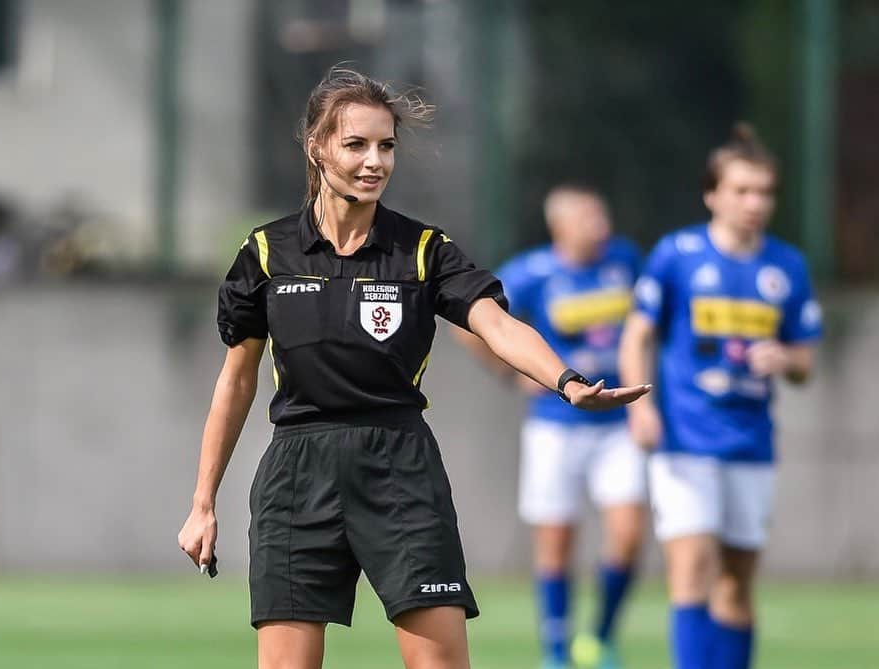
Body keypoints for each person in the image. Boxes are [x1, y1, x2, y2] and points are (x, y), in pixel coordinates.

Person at [177, 66, 651, 669]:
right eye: (356, 145)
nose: (374, 161)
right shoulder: (266, 252)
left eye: (385, 145)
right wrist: (203, 501)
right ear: (316, 147)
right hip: (297, 474)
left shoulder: (424, 249)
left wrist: (567, 382)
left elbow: (497, 325)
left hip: (398, 466)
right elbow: (237, 380)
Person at [618, 123, 823, 669]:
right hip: (685, 438)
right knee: (691, 571)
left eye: (764, 192)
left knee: (736, 583)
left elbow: (806, 361)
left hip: (751, 441)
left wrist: (785, 359)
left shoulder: (787, 266)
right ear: (713, 194)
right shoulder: (677, 254)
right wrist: (640, 409)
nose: (755, 203)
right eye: (742, 190)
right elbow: (637, 335)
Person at [456, 185, 646, 669]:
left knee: (627, 533)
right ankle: (557, 651)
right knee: (556, 540)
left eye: (602, 217)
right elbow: (467, 321)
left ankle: (599, 638)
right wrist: (510, 373)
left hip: (617, 422)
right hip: (556, 425)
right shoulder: (534, 271)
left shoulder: (625, 260)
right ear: (560, 226)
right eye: (588, 219)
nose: (600, 228)